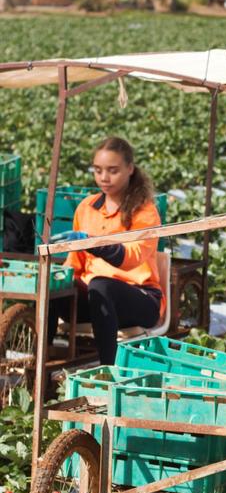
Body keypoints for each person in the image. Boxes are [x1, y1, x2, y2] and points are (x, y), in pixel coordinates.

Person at [47, 136, 164, 365]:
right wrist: (58, 278)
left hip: (139, 299)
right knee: (49, 284)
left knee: (101, 285)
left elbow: (131, 259)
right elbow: (75, 264)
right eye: (98, 170)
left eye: (112, 170)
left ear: (130, 169)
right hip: (94, 300)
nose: (104, 177)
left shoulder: (145, 212)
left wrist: (95, 243)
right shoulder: (86, 208)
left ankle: (107, 369)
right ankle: (43, 360)